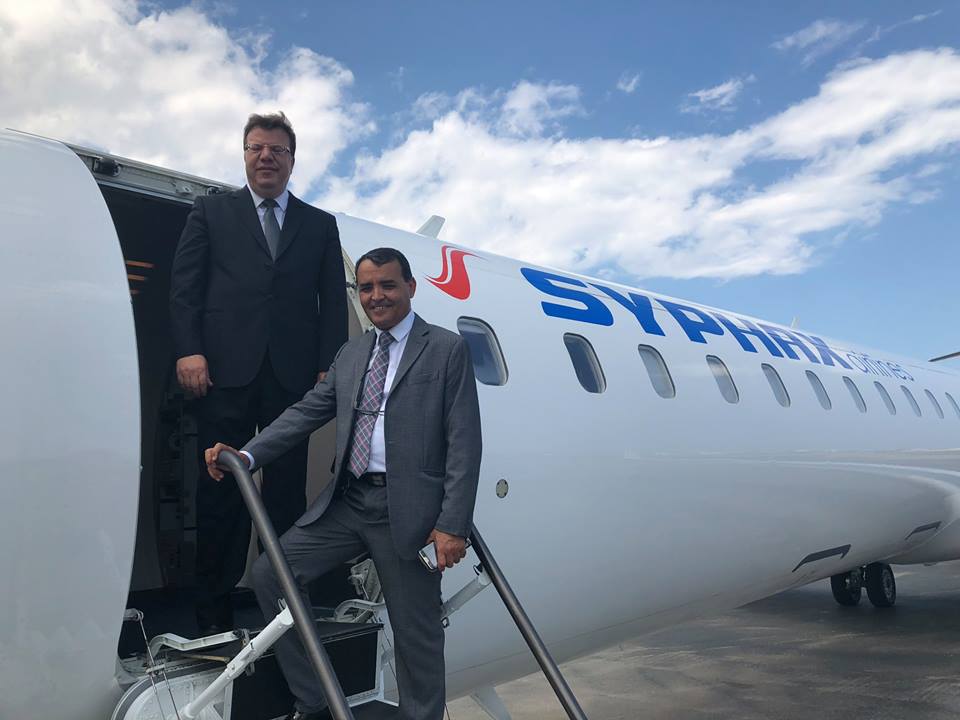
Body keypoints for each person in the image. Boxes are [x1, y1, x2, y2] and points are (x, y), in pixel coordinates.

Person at [204, 247, 482, 720]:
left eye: (388, 285)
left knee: (415, 632)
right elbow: (307, 412)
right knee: (271, 575)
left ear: (410, 287)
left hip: (407, 510)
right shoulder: (352, 354)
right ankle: (314, 698)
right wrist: (247, 455)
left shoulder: (444, 348)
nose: (376, 296)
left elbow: (464, 441)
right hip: (350, 501)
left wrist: (452, 524)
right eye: (366, 287)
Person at [170, 112, 348, 634]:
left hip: (292, 379)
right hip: (224, 373)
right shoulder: (211, 212)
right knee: (220, 489)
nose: (266, 157)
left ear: (292, 159)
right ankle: (213, 617)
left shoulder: (320, 225)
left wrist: (329, 367)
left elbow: (331, 304)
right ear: (245, 154)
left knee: (286, 495)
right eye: (256, 148)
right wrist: (189, 350)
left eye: (277, 149)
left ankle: (282, 610)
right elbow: (185, 288)